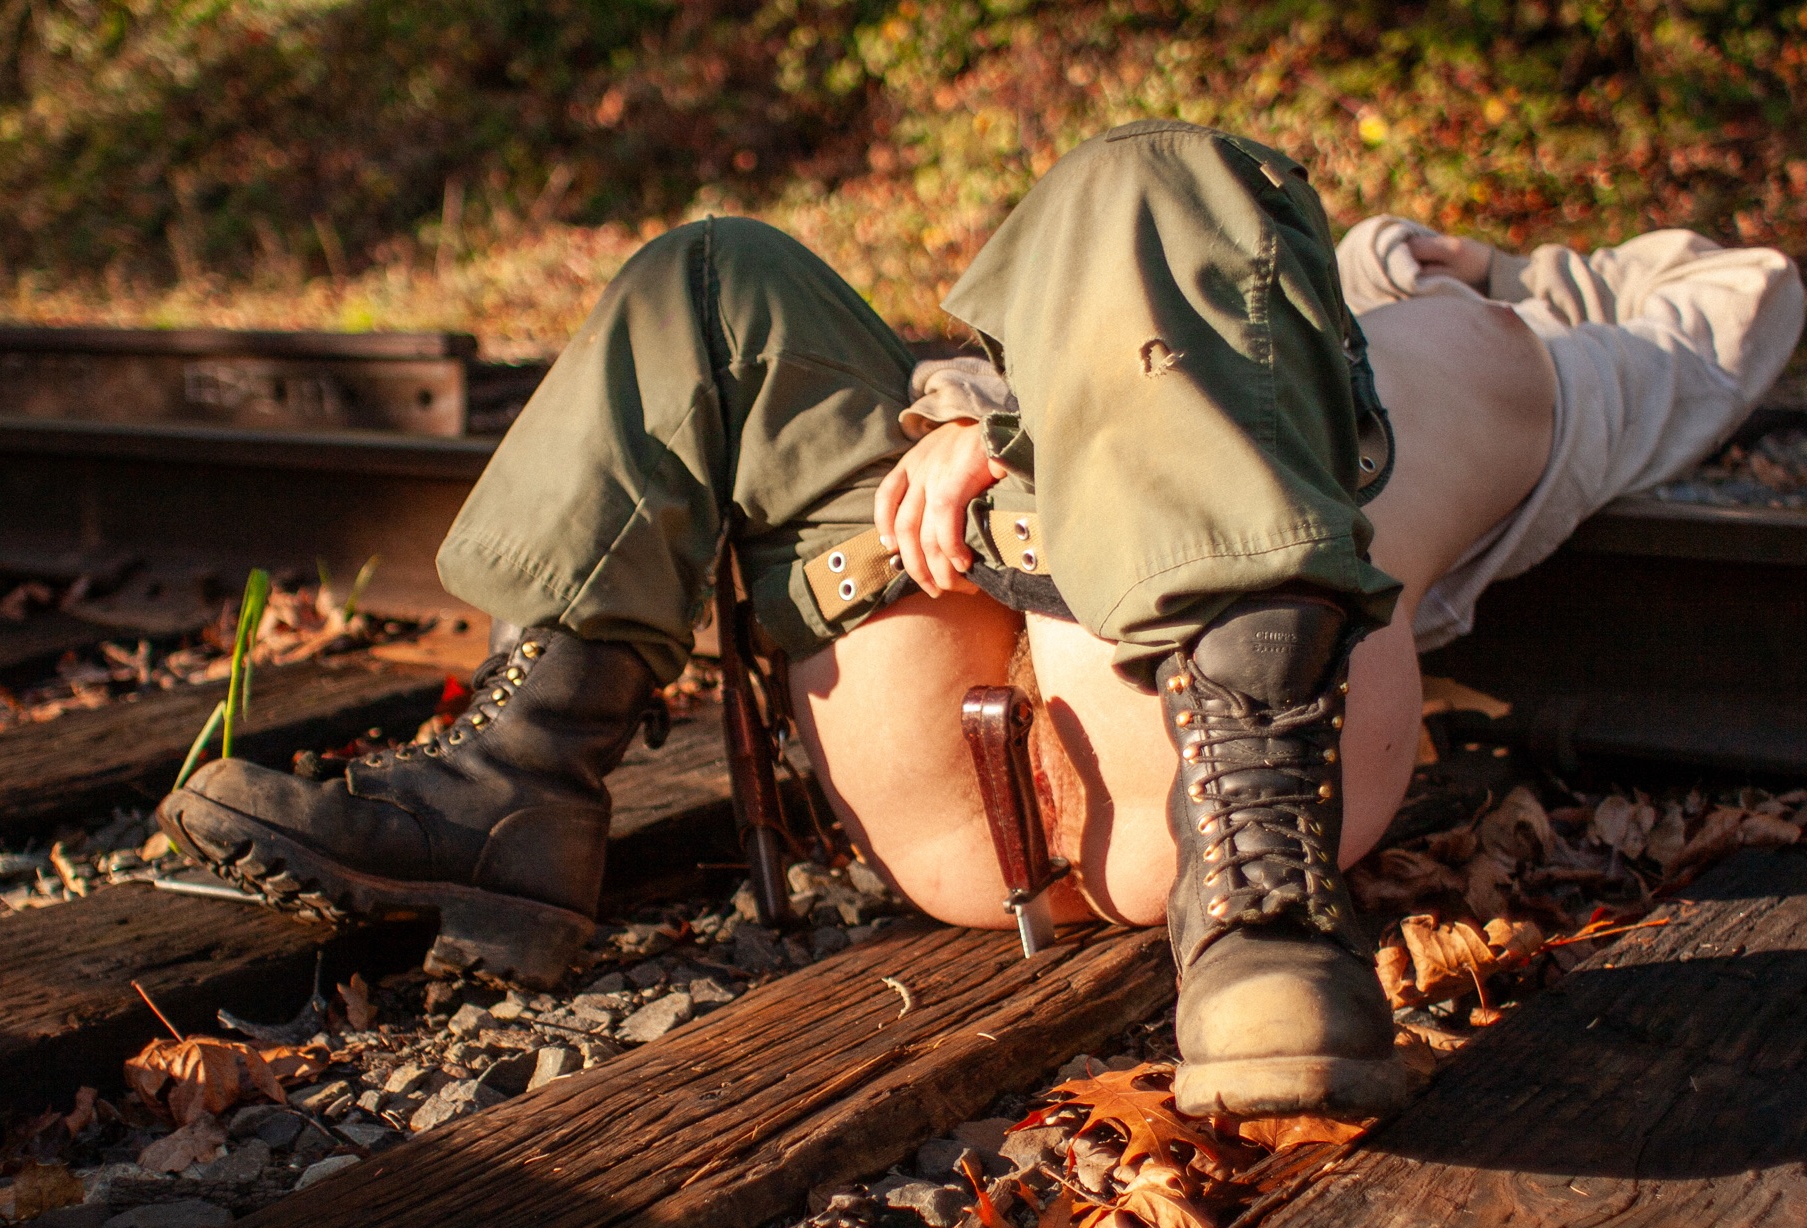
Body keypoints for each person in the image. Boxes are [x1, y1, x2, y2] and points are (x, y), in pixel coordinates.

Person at [157, 122, 1802, 1118]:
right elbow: (1151, 317)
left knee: (1149, 171)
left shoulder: (1544, 356)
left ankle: (1264, 935)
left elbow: (1753, 287)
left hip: (1204, 777)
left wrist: (1495, 274)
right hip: (945, 687)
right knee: (718, 278)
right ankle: (520, 780)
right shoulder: (1203, 291)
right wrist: (994, 411)